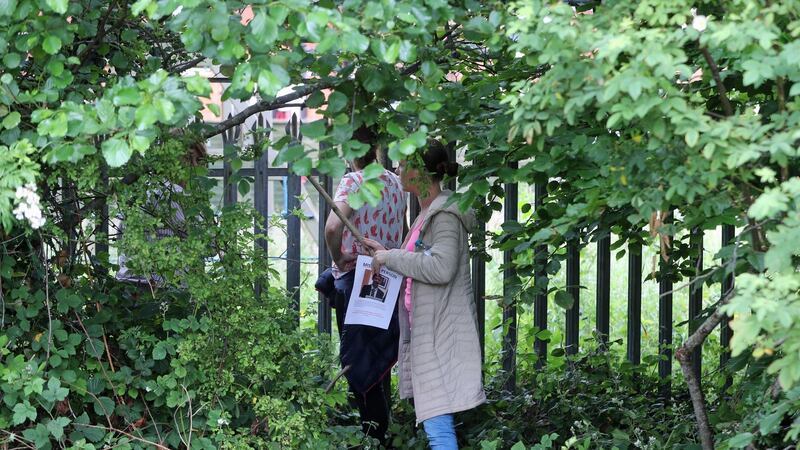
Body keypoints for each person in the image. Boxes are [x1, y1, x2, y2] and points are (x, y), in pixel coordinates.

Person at [364, 140, 486, 450]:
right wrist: (385, 254)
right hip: (427, 330)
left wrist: (390, 257)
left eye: (404, 165)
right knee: (436, 420)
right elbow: (419, 262)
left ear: (419, 171)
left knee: (437, 423)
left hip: (440, 333)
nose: (398, 169)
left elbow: (441, 268)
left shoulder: (444, 215)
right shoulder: (428, 211)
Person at [322, 125, 406, 446]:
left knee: (357, 361)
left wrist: (339, 255)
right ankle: (383, 430)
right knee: (380, 358)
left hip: (359, 283)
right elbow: (406, 229)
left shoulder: (355, 181)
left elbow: (332, 227)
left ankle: (371, 434)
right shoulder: (396, 182)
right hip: (390, 280)